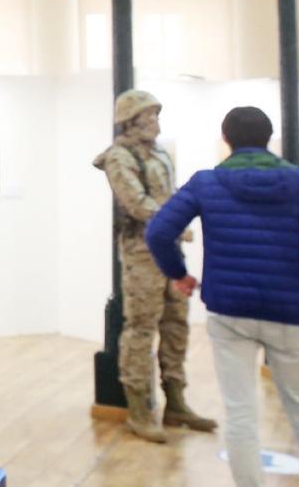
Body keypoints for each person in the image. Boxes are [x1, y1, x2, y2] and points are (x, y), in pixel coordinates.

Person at [146, 106, 299, 487]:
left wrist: (179, 275)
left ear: (227, 140)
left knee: (240, 416)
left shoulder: (206, 184)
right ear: (269, 138)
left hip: (230, 312)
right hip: (290, 314)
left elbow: (159, 232)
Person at [93, 90, 216, 442]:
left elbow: (171, 195)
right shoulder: (119, 157)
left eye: (156, 116)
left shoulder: (160, 153)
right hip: (141, 252)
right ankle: (139, 409)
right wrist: (174, 223)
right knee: (142, 327)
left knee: (176, 323)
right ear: (131, 120)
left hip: (169, 251)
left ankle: (176, 401)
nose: (155, 123)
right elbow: (136, 202)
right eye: (149, 116)